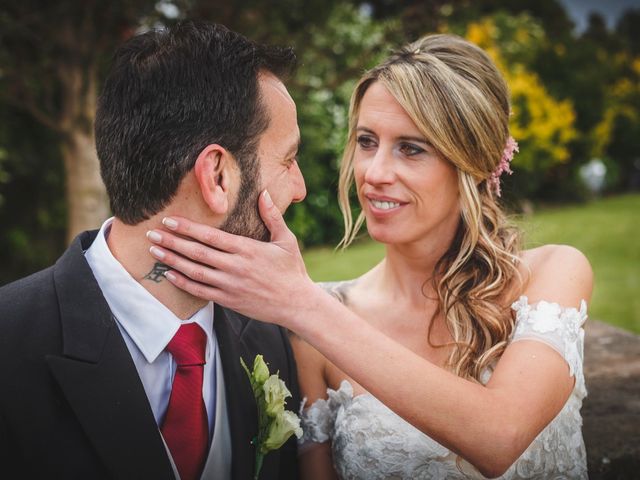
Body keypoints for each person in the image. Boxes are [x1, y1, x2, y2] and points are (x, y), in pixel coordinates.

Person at [146, 34, 592, 479]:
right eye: (366, 141)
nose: (374, 173)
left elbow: (501, 438)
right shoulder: (313, 330)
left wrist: (301, 303)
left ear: (471, 162)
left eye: (411, 148)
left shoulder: (552, 274)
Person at [0, 21, 305, 480]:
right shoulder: (10, 343)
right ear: (217, 176)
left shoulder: (267, 335)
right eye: (287, 159)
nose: (299, 188)